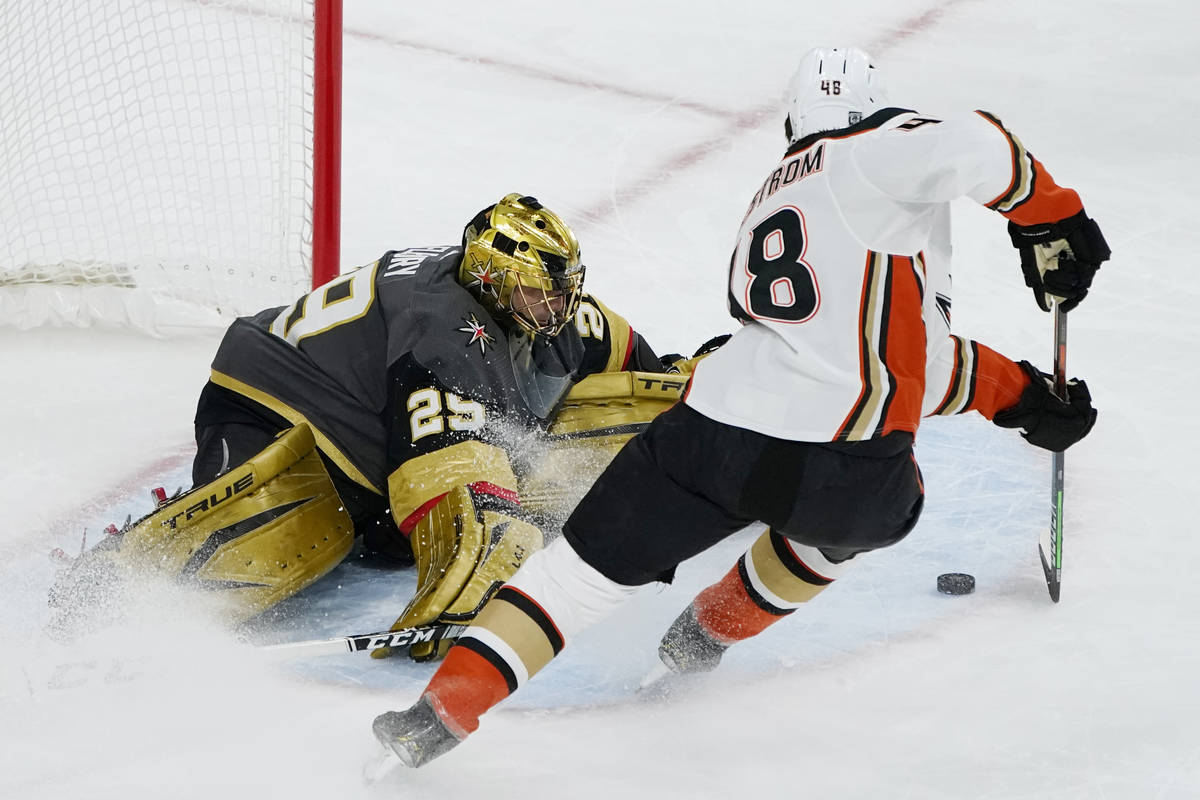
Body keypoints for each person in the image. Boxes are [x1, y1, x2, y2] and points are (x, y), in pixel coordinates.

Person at [370, 47, 1110, 766]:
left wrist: (1020, 393)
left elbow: (870, 348)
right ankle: (701, 640)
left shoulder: (772, 193)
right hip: (846, 463)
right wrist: (1053, 222)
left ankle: (434, 716)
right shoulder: (878, 148)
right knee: (852, 523)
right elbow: (980, 148)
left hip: (710, 434)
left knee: (574, 578)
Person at [47, 193, 684, 654]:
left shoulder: (536, 310)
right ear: (493, 280)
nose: (559, 305)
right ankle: (108, 579)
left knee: (379, 529)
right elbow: (448, 476)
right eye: (542, 292)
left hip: (366, 416)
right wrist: (464, 591)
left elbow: (622, 353)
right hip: (270, 402)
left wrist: (703, 393)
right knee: (259, 536)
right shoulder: (444, 334)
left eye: (565, 288)